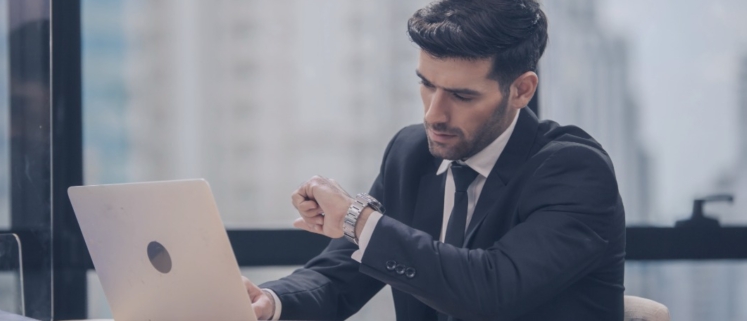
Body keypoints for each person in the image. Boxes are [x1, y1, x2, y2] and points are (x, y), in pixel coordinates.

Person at [243, 0, 626, 320]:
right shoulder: (411, 155)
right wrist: (270, 302)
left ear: (521, 90)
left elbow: (490, 291)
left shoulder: (575, 172)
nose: (434, 114)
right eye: (427, 84)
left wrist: (357, 219)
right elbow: (339, 275)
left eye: (462, 96)